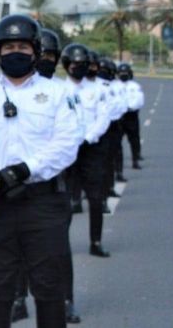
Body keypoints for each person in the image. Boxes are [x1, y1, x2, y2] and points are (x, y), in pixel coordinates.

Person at [0, 16, 81, 328]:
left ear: (35, 51)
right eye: (8, 47)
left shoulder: (57, 93)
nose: (15, 52)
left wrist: (23, 170)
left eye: (21, 46)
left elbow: (67, 144)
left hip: (42, 204)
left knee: (49, 288)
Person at [10, 27, 83, 324]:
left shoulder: (63, 93)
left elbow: (71, 138)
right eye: (45, 54)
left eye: (52, 55)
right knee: (13, 248)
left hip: (53, 183)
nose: (47, 60)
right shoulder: (8, 89)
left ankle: (66, 299)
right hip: (11, 186)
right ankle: (18, 297)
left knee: (56, 251)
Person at [60, 44, 113, 258]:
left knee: (95, 197)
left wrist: (89, 137)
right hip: (67, 151)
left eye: (82, 64)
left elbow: (104, 116)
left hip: (92, 149)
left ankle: (96, 242)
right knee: (64, 202)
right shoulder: (58, 91)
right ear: (66, 65)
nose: (78, 67)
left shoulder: (97, 90)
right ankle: (60, 245)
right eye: (74, 64)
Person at [96, 58, 128, 192]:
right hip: (96, 127)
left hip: (113, 124)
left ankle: (110, 185)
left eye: (106, 70)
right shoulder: (94, 86)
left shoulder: (116, 87)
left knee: (112, 156)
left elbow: (121, 105)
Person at [117, 63, 145, 168]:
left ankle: (135, 159)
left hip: (131, 116)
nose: (123, 74)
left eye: (125, 72)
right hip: (118, 117)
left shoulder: (135, 86)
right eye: (121, 72)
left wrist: (128, 108)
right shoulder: (114, 86)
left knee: (134, 139)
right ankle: (117, 166)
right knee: (117, 141)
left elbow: (139, 101)